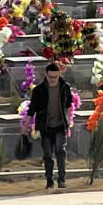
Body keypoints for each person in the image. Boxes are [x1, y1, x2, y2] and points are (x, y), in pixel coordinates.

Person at [27, 58, 74, 188]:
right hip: (45, 127)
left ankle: (61, 179)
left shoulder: (65, 87)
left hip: (60, 125)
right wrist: (26, 126)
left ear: (59, 74)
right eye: (50, 77)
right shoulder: (39, 90)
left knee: (60, 151)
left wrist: (69, 120)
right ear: (46, 75)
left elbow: (69, 105)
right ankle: (49, 180)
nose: (53, 79)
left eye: (55, 77)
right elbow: (32, 109)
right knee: (47, 155)